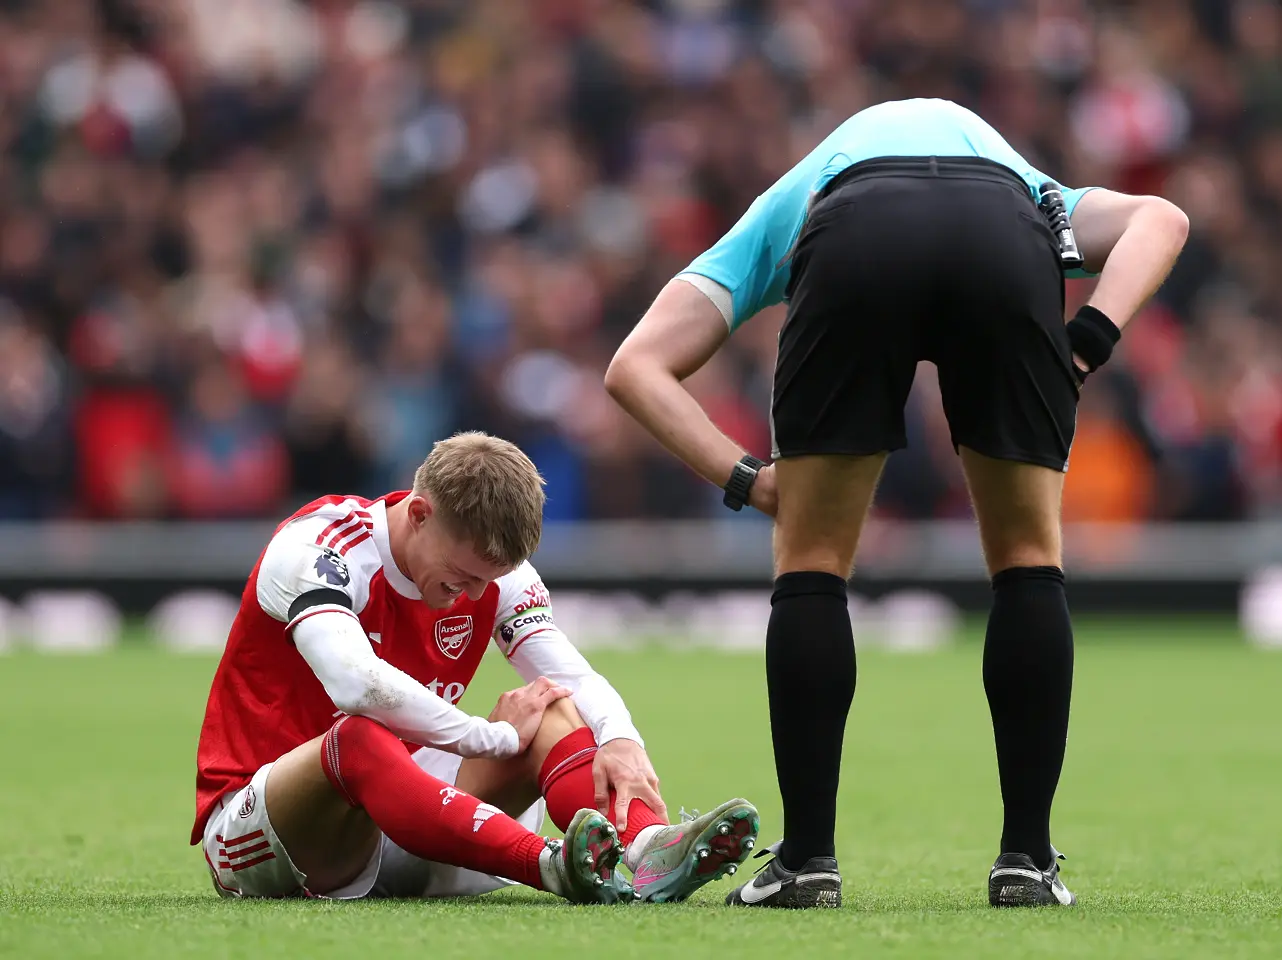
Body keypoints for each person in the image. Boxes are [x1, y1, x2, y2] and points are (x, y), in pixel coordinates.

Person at [604, 98, 1188, 908]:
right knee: (1027, 557)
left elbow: (633, 368)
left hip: (854, 232)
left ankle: (807, 864)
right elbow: (1162, 219)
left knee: (811, 562)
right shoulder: (1031, 184)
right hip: (1001, 234)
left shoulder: (786, 203)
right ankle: (1026, 860)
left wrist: (750, 480)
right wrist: (1087, 341)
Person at [192, 431, 759, 902]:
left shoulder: (490, 573)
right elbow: (355, 684)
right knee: (359, 737)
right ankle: (551, 865)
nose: (471, 595)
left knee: (551, 703)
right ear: (418, 514)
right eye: (462, 576)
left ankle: (648, 848)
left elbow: (572, 675)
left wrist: (621, 739)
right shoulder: (318, 548)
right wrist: (487, 735)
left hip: (409, 817)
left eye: (486, 581)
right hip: (271, 835)